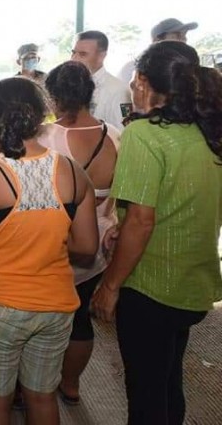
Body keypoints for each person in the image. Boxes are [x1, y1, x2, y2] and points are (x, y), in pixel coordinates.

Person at [91, 41, 222, 425]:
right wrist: (126, 227)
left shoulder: (144, 134)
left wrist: (110, 285)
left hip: (150, 285)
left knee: (146, 392)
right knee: (168, 378)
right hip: (193, 280)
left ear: (144, 82)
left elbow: (141, 221)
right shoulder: (209, 131)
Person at [0, 76, 98, 425]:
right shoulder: (73, 172)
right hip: (56, 304)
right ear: (41, 115)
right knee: (42, 396)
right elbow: (87, 246)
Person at [39, 60, 121, 406]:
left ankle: (36, 383)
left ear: (54, 97)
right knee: (79, 321)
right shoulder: (116, 134)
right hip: (101, 240)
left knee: (44, 317)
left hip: (59, 240)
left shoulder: (48, 136)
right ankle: (70, 384)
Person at [71, 30, 131, 130]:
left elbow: (124, 133)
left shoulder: (118, 90)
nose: (74, 59)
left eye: (83, 54)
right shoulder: (71, 85)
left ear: (101, 56)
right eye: (73, 53)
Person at [116, 17, 199, 85]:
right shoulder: (131, 69)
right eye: (177, 35)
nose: (184, 39)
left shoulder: (185, 70)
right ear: (157, 40)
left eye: (184, 35)